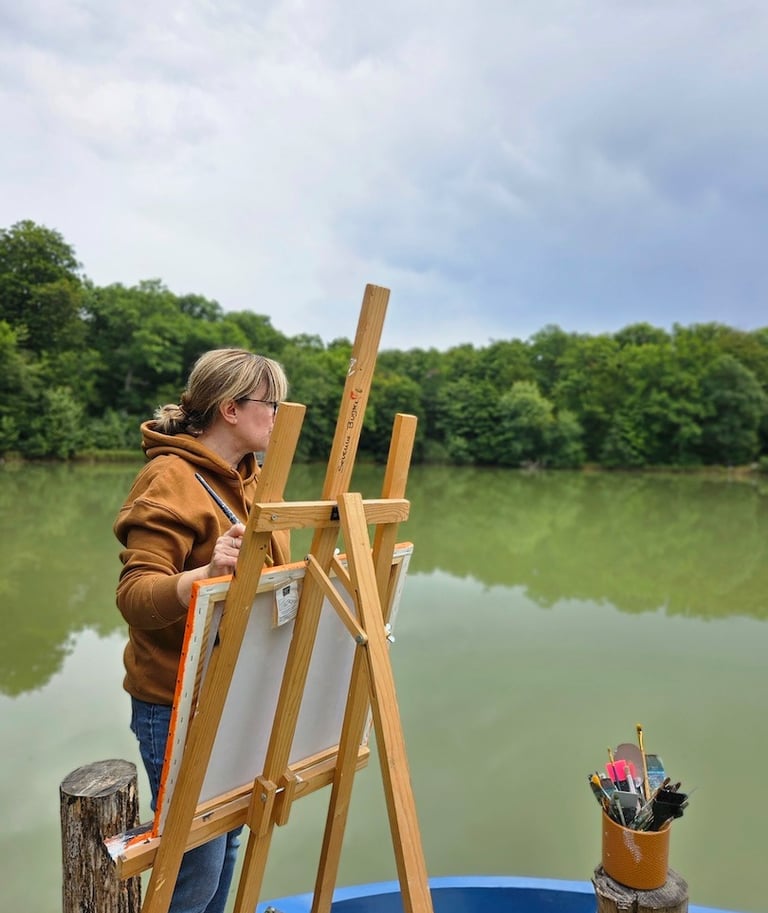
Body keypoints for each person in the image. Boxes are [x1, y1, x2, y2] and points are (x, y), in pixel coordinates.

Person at [114, 348, 291, 913]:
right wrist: (204, 576)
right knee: (194, 871)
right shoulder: (168, 478)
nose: (280, 417)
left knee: (227, 849)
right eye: (272, 404)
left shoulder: (253, 481)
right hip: (178, 701)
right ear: (231, 408)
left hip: (235, 696)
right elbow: (135, 597)